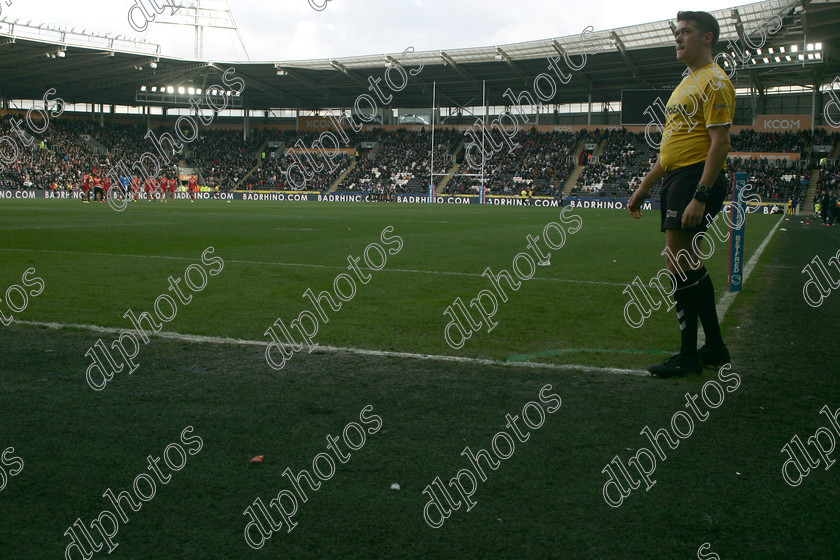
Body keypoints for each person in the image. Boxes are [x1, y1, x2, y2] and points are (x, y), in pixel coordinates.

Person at [628, 10, 733, 378]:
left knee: (677, 264)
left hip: (694, 179)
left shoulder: (715, 81)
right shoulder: (685, 84)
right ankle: (715, 347)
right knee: (688, 264)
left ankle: (690, 356)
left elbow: (720, 143)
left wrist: (701, 194)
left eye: (686, 32)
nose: (678, 37)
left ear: (707, 38)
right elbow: (669, 150)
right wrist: (644, 185)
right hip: (676, 178)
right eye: (677, 32)